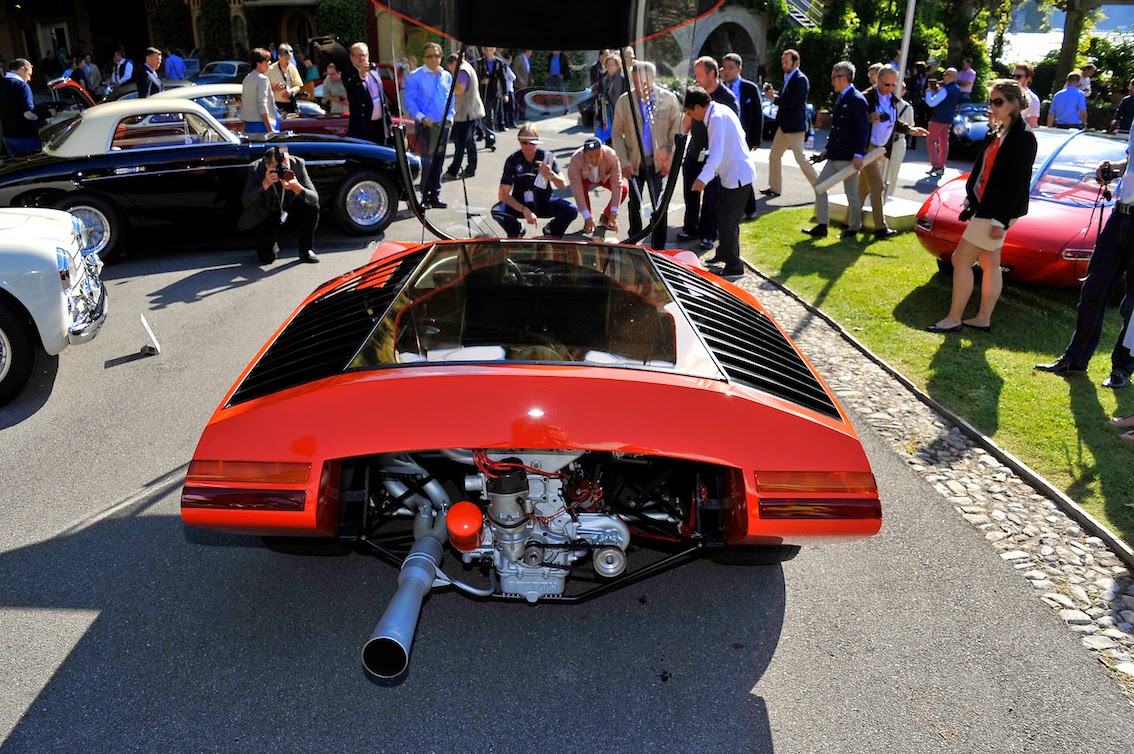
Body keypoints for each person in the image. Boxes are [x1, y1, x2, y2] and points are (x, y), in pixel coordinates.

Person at [928, 79, 1037, 333]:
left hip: (997, 212)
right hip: (988, 207)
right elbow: (984, 171)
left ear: (1014, 103)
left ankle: (954, 318)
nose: (992, 107)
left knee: (960, 259)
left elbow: (1017, 184)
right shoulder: (999, 131)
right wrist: (972, 198)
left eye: (998, 102)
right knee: (989, 262)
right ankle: (983, 318)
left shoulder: (1023, 137)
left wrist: (1000, 220)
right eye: (990, 101)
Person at [1035, 129, 1134, 388]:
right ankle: (1075, 360)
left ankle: (1122, 368)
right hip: (1120, 215)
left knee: (1132, 306)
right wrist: (1114, 168)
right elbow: (1131, 160)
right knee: (1093, 290)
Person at [683, 86, 755, 279]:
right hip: (732, 174)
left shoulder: (716, 118)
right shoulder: (720, 110)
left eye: (689, 112)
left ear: (698, 107)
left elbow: (716, 154)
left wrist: (702, 178)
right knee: (723, 217)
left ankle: (734, 266)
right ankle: (724, 253)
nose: (690, 117)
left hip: (737, 175)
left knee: (727, 222)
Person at [610, 60, 681, 249]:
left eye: (644, 82)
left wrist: (670, 158)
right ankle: (633, 243)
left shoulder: (669, 99)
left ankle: (658, 247)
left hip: (659, 163)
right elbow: (616, 134)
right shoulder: (625, 101)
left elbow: (677, 131)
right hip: (634, 163)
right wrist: (623, 161)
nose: (640, 87)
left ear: (653, 78)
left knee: (659, 206)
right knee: (634, 204)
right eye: (636, 82)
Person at [801, 60, 869, 240]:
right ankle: (822, 225)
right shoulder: (842, 98)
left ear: (843, 78)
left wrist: (858, 154)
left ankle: (854, 228)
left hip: (849, 157)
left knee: (851, 194)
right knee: (819, 187)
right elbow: (837, 129)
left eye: (834, 78)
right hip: (835, 155)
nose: (832, 82)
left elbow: (862, 129)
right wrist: (827, 149)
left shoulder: (857, 99)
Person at [860, 65, 928, 238]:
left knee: (863, 188)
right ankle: (880, 228)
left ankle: (849, 223)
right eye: (886, 84)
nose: (890, 88)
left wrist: (910, 130)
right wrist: (870, 118)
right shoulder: (866, 98)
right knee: (878, 186)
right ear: (877, 80)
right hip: (867, 148)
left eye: (893, 85)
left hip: (882, 148)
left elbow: (894, 121)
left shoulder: (892, 100)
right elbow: (854, 121)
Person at [678, 56, 737, 251]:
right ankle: (690, 227)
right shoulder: (695, 94)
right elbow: (686, 120)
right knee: (690, 192)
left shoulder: (727, 98)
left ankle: (708, 234)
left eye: (699, 75)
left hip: (716, 157)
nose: (696, 79)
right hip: (695, 151)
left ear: (712, 74)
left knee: (712, 197)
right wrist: (678, 140)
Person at [491, 122, 577, 237]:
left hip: (544, 202)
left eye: (532, 142)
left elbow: (563, 185)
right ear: (519, 142)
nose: (528, 146)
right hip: (520, 202)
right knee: (497, 210)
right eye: (524, 142)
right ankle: (516, 230)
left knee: (571, 210)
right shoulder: (513, 160)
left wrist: (550, 175)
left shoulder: (546, 157)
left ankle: (551, 230)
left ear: (537, 142)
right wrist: (524, 209)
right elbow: (503, 195)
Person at [237, 145, 320, 264]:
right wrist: (265, 184)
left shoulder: (297, 164)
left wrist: (297, 187)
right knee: (266, 258)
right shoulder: (256, 169)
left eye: (286, 165)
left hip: (291, 210)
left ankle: (306, 249)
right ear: (267, 166)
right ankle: (271, 244)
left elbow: (314, 198)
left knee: (311, 205)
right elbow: (246, 201)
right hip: (268, 213)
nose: (283, 169)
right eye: (278, 167)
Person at [761, 49, 817, 198]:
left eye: (786, 62)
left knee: (800, 158)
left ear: (796, 63)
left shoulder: (800, 79)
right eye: (783, 62)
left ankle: (820, 186)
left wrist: (774, 98)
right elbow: (785, 99)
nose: (784, 65)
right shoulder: (788, 78)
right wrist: (773, 95)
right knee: (774, 155)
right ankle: (775, 188)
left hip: (795, 126)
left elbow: (792, 102)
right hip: (784, 125)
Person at [403, 42, 453, 208]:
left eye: (437, 55)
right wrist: (421, 117)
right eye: (430, 56)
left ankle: (435, 195)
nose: (433, 59)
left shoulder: (446, 76)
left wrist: (450, 116)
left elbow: (450, 98)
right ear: (424, 58)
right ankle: (423, 197)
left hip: (443, 124)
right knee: (427, 161)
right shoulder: (416, 76)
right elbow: (409, 100)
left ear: (441, 57)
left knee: (439, 161)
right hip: (426, 125)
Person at [719, 53, 762, 221]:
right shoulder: (720, 88)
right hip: (724, 136)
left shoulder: (749, 88)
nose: (727, 71)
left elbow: (757, 115)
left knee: (742, 172)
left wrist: (756, 140)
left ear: (739, 69)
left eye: (731, 67)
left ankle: (750, 208)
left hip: (744, 138)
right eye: (724, 67)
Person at [567, 136, 626, 234]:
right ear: (584, 154)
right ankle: (589, 220)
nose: (594, 160)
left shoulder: (611, 155)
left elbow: (617, 184)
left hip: (604, 178)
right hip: (585, 179)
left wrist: (614, 213)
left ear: (602, 151)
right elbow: (576, 189)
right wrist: (587, 216)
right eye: (590, 156)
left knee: (624, 188)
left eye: (597, 155)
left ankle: (606, 217)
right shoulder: (576, 159)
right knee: (581, 190)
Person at [444, 51, 485, 180]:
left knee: (460, 143)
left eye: (451, 68)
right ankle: (470, 169)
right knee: (469, 142)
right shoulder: (467, 67)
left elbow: (460, 89)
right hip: (469, 111)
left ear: (453, 63)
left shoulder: (462, 71)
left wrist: (448, 88)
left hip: (465, 112)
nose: (451, 70)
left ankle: (453, 170)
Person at [345, 42, 393, 146]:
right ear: (351, 57)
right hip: (363, 126)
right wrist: (361, 74)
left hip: (380, 125)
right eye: (358, 56)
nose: (362, 58)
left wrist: (389, 122)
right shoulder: (349, 74)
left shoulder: (374, 73)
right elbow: (351, 88)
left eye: (364, 55)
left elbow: (382, 100)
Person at [1, 58, 47, 156]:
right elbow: (28, 114)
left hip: (8, 136)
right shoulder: (21, 86)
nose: (29, 79)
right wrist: (48, 114)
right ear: (22, 69)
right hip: (26, 137)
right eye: (29, 74)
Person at [925, 66, 961, 177]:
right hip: (948, 118)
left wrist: (928, 92)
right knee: (944, 142)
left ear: (950, 76)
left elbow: (932, 103)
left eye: (945, 74)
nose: (943, 76)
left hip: (938, 119)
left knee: (931, 141)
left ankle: (936, 166)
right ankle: (941, 165)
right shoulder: (957, 89)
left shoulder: (945, 90)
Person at [476, 46, 506, 149]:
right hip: (484, 93)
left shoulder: (498, 62)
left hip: (495, 93)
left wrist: (505, 94)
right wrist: (481, 82)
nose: (488, 52)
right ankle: (491, 140)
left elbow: (503, 79)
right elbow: (475, 78)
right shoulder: (480, 63)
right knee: (489, 116)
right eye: (486, 50)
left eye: (490, 50)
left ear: (494, 50)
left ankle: (488, 137)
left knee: (493, 116)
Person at [241, 48, 276, 133]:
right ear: (258, 63)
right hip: (262, 124)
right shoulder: (263, 79)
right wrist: (270, 130)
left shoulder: (247, 78)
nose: (269, 63)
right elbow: (262, 104)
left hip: (249, 123)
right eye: (267, 60)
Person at [268, 44, 302, 115]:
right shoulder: (270, 70)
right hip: (276, 104)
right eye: (286, 59)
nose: (288, 61)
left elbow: (298, 85)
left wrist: (291, 91)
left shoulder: (292, 68)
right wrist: (274, 88)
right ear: (279, 57)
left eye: (290, 59)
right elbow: (264, 89)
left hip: (291, 103)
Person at [1012, 63, 1041, 128]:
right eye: (1013, 76)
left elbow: (1031, 127)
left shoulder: (1033, 99)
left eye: (1018, 76)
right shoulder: (1007, 94)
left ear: (1028, 78)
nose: (1014, 79)